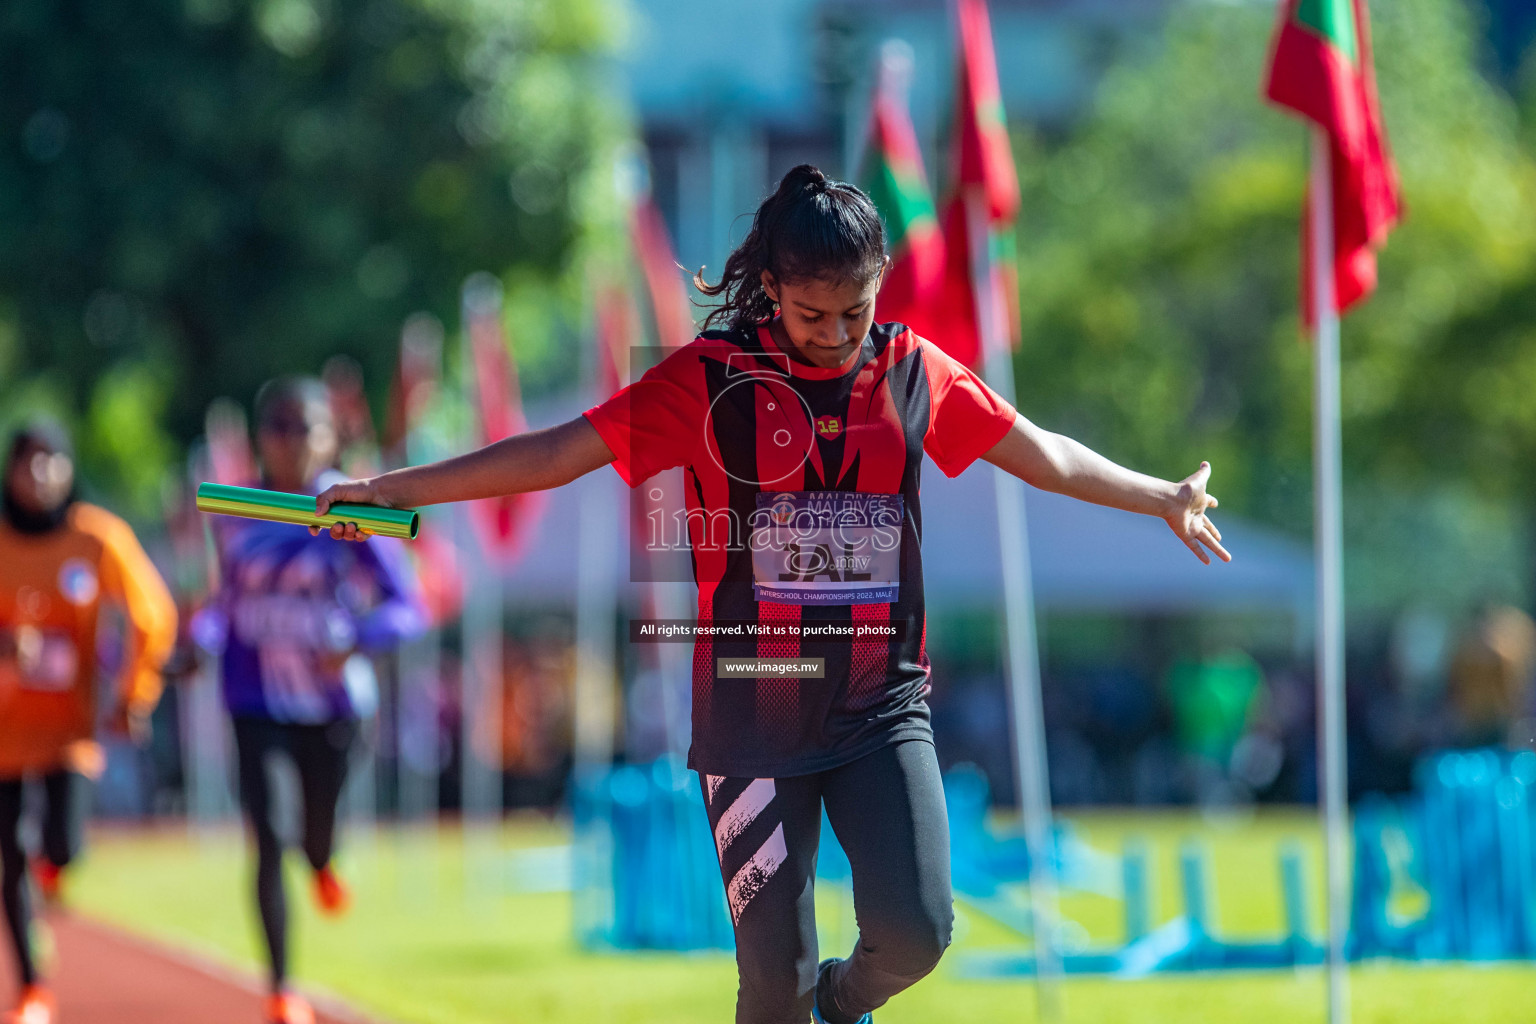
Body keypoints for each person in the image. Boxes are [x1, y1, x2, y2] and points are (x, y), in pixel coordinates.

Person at [314, 165, 1231, 1024]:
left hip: (880, 708)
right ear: (772, 290)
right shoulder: (708, 380)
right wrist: (390, 489)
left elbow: (1042, 452)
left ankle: (841, 1006)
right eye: (811, 315)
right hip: (751, 716)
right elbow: (555, 454)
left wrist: (1162, 497)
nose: (835, 335)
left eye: (855, 312)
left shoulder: (915, 371)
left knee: (918, 933)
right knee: (771, 982)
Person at [196, 378, 425, 1024]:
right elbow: (225, 605)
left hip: (334, 706)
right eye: (276, 425)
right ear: (260, 434)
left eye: (304, 427)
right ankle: (281, 988)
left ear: (330, 435)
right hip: (255, 698)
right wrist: (197, 639)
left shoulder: (352, 507)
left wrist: (355, 639)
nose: (289, 439)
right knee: (268, 834)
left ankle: (324, 860)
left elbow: (410, 607)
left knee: (313, 838)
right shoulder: (238, 509)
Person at [0, 420, 178, 1024]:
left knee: (61, 848)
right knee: (10, 857)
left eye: (53, 460)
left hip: (69, 733)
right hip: (3, 736)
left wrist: (135, 693)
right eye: (28, 462)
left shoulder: (94, 539)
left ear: (69, 469)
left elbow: (152, 614)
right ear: (10, 470)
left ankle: (55, 874)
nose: (40, 474)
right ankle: (32, 987)